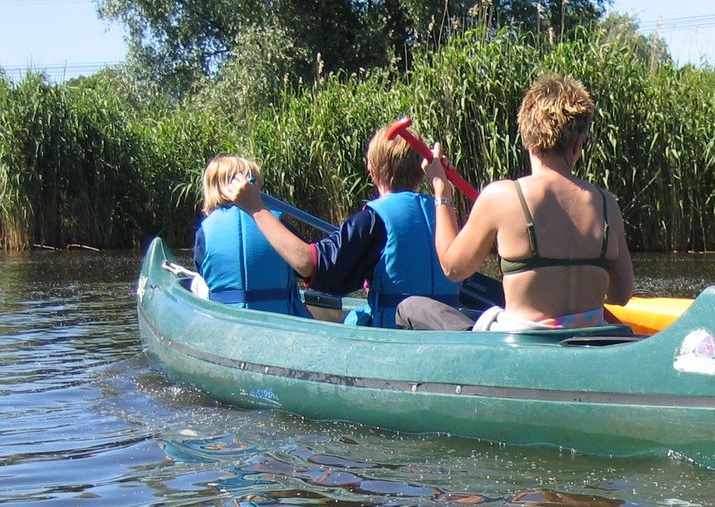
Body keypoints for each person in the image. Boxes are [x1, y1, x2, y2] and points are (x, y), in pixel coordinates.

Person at [397, 74, 634, 331]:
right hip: (588, 343)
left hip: (521, 348)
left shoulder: (502, 197)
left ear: (527, 137)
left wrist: (441, 191)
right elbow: (620, 295)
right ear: (578, 143)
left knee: (409, 307)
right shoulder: (606, 204)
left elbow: (453, 268)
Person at [227, 122, 465, 328]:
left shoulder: (373, 220)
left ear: (372, 172)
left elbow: (308, 263)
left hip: (398, 335)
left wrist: (256, 208)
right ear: (420, 172)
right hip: (446, 327)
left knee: (352, 320)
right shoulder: (446, 214)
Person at [193, 155, 311, 318]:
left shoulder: (204, 231)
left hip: (227, 323)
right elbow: (306, 268)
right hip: (281, 322)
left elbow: (203, 270)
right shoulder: (277, 223)